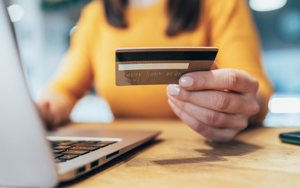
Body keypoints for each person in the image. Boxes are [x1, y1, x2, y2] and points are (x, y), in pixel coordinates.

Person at [37, 0, 273, 142]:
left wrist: (244, 105)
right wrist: (44, 110)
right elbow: (64, 90)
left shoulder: (220, 4)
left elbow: (256, 91)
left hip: (207, 151)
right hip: (124, 157)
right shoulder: (96, 15)